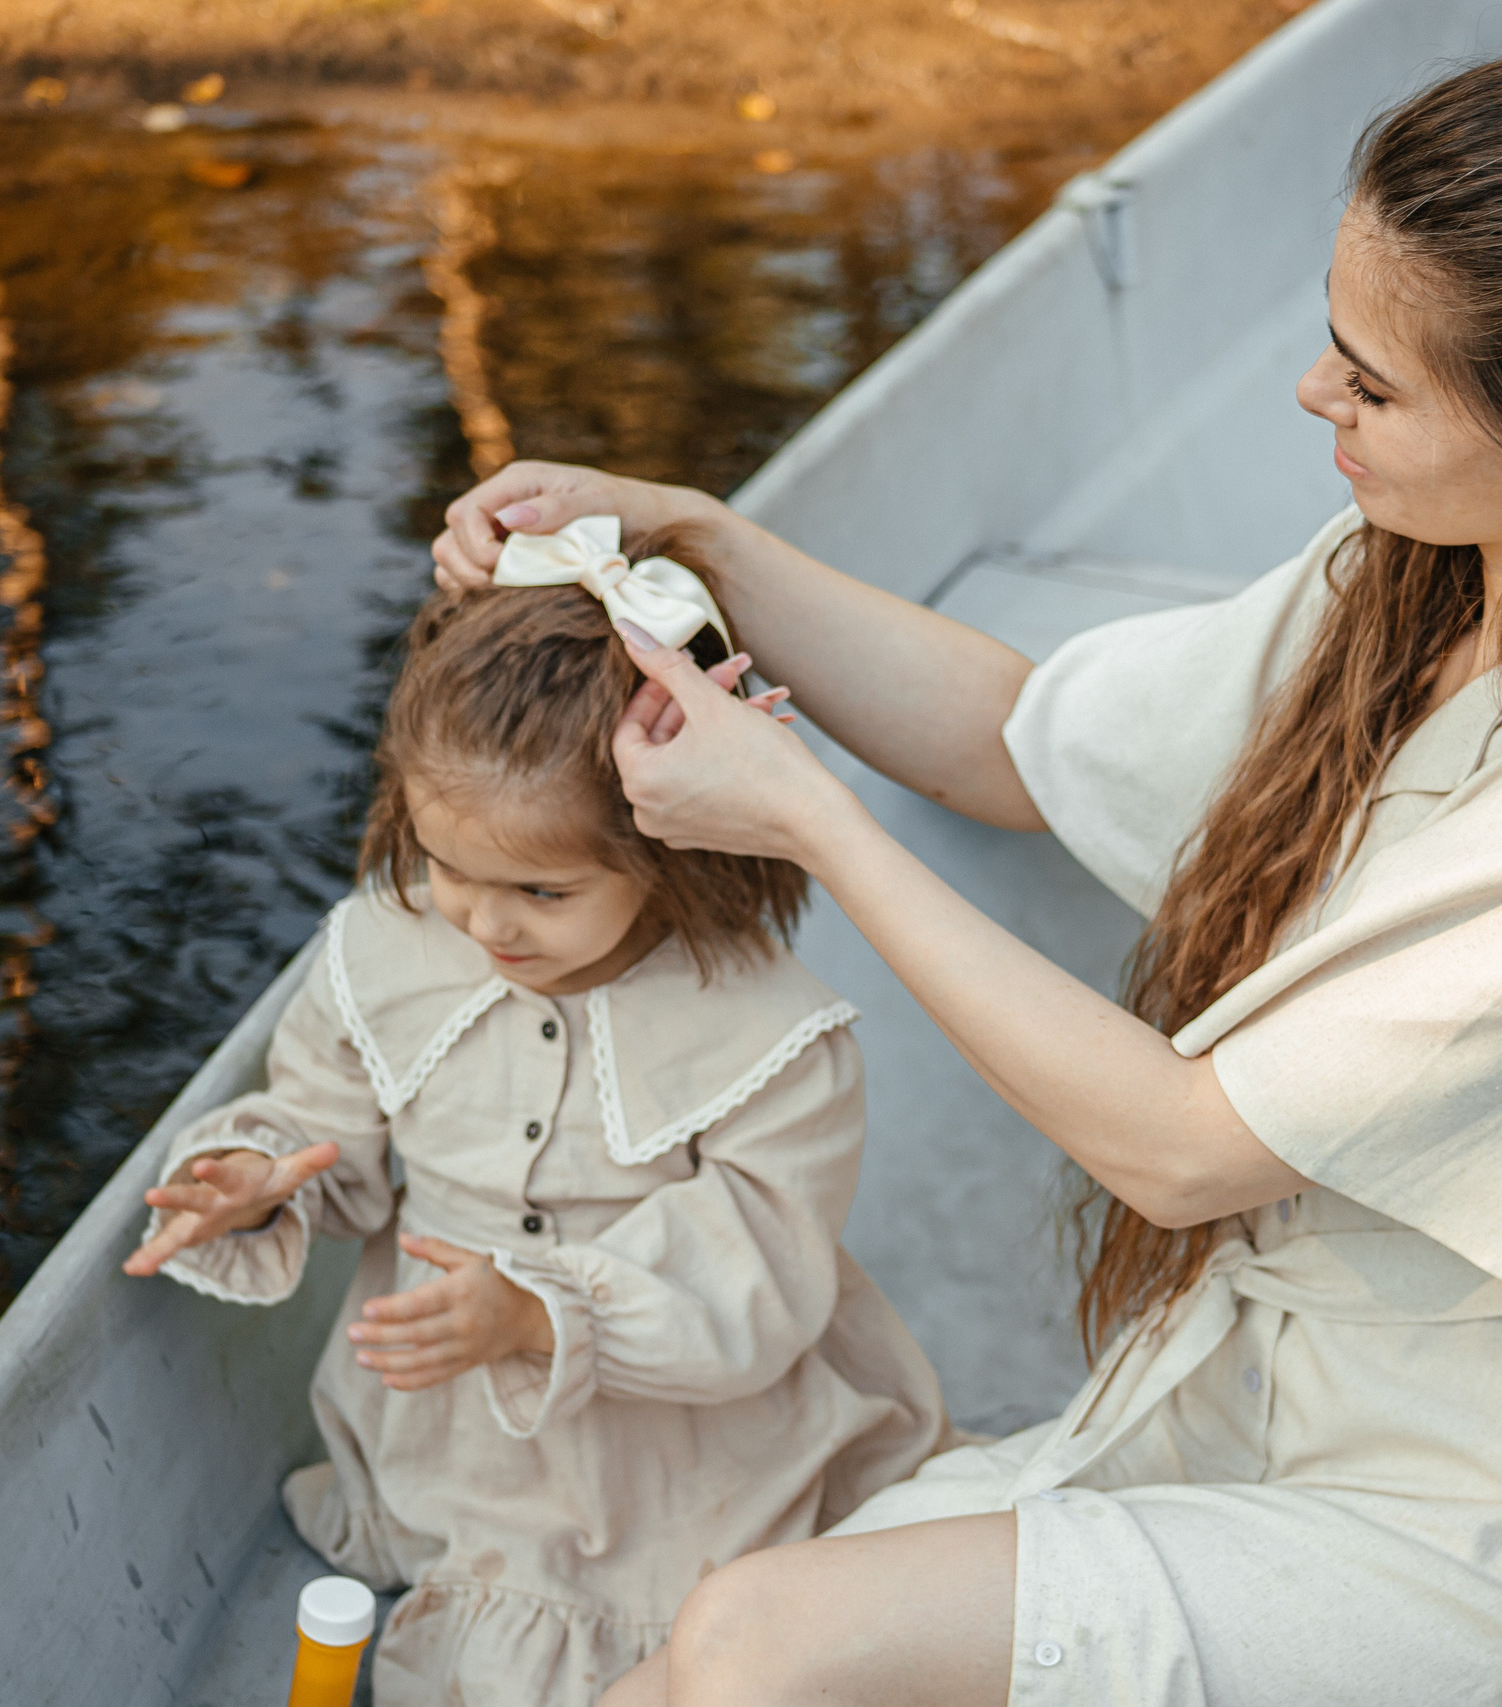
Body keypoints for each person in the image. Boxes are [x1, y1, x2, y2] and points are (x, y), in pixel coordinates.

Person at [428, 43, 1502, 1707]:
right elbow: (1023, 736)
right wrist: (700, 540)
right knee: (702, 1646)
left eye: (1373, 385)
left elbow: (1177, 1148)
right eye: (1330, 339)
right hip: (1276, 1395)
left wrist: (806, 813)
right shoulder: (1425, 582)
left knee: (754, 1642)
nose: (1315, 393)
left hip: (1480, 1526)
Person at [120, 540, 949, 1706]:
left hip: (669, 1438)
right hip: (442, 1418)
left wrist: (538, 1313)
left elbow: (756, 1271)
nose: (480, 922)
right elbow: (328, 1124)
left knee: (664, 1642)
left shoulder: (772, 1040)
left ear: (676, 848)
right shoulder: (387, 946)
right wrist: (265, 1173)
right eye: (445, 864)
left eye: (542, 893)